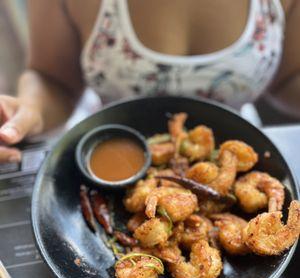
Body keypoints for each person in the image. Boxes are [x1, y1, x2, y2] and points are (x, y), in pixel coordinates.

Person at [0, 0, 299, 164]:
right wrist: (27, 111)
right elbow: (53, 80)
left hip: (242, 152)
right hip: (107, 149)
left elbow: (288, 79)